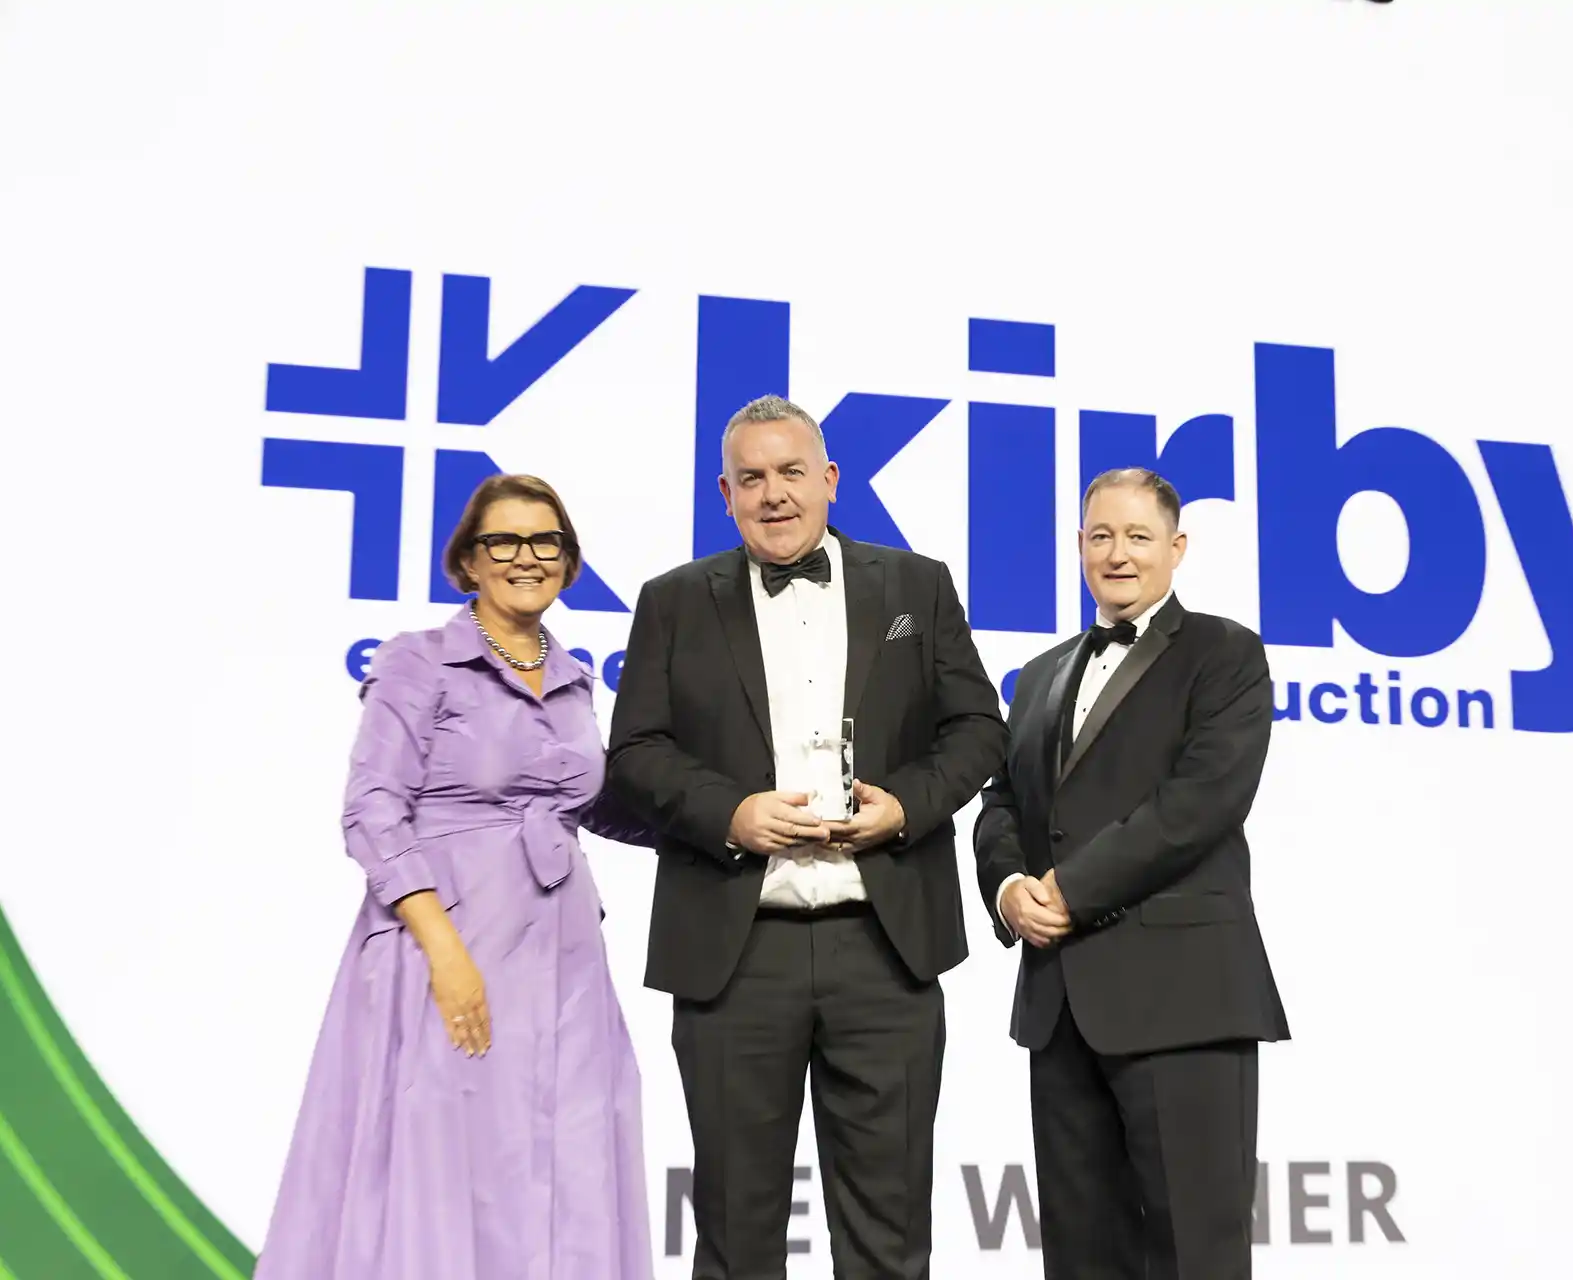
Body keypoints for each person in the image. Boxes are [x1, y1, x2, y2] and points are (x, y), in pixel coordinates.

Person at [605, 394, 1007, 1279]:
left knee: (889, 1237)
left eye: (792, 472)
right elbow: (633, 753)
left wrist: (905, 806)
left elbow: (979, 729)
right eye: (751, 478)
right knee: (735, 1235)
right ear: (725, 495)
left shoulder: (916, 586)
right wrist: (729, 814)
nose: (773, 494)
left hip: (886, 947)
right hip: (735, 953)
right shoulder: (672, 601)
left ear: (829, 479)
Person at [256, 475, 655, 1280]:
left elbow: (588, 804)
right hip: (448, 943)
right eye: (502, 541)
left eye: (545, 542)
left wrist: (729, 821)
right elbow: (371, 809)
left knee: (565, 1156)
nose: (525, 558)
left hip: (565, 959)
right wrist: (443, 949)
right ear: (468, 561)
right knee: (448, 1161)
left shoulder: (575, 677)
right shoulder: (418, 661)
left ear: (569, 564)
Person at [974, 467, 1289, 1279]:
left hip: (1183, 998)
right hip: (1060, 1005)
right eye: (1102, 536)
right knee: (1080, 1257)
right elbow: (1002, 801)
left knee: (1195, 1254)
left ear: (1176, 548)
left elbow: (1199, 804)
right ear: (1079, 545)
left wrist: (1069, 890)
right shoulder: (1039, 675)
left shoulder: (1225, 653)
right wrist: (1010, 891)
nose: (1118, 554)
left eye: (1138, 537)